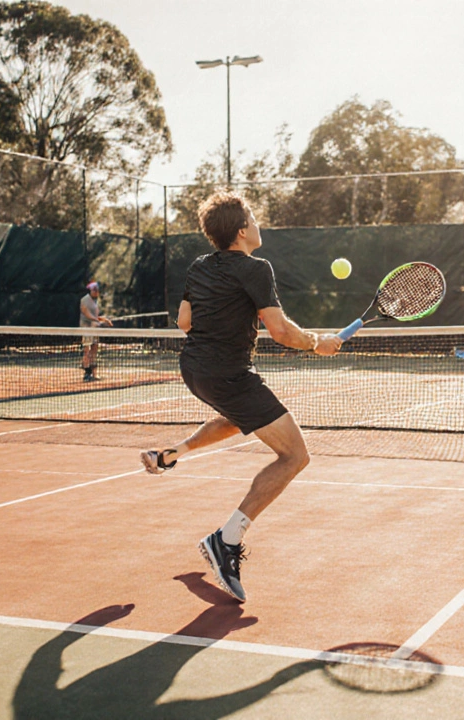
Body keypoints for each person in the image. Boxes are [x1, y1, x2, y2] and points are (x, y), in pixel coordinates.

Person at [140, 191, 343, 603]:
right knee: (295, 456)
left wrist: (223, 326)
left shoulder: (198, 267)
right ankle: (225, 540)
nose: (257, 222)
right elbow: (282, 332)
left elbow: (184, 321)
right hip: (227, 373)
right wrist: (317, 342)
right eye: (253, 215)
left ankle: (173, 453)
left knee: (237, 418)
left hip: (194, 369)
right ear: (241, 230)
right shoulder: (256, 268)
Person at [80, 281, 113, 381]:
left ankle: (94, 374)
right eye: (95, 290)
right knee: (87, 351)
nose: (97, 292)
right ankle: (87, 373)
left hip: (94, 330)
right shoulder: (85, 300)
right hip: (87, 329)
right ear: (91, 290)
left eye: (97, 290)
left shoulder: (95, 302)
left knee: (94, 351)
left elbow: (95, 316)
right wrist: (96, 320)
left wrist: (105, 320)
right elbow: (86, 313)